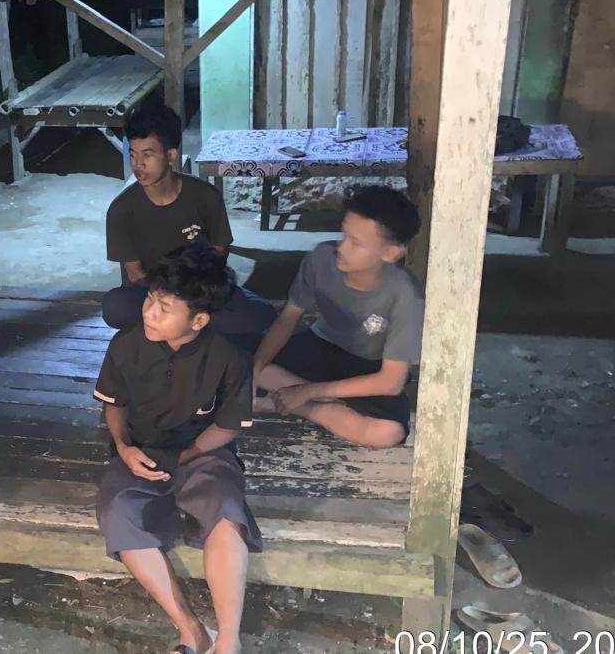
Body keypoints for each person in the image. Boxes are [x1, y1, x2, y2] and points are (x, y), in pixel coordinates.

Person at [94, 242, 261, 654]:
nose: (150, 313)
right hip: (141, 451)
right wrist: (123, 446)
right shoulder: (126, 344)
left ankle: (229, 641)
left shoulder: (229, 358)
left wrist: (185, 457)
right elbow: (115, 404)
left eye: (165, 308)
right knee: (117, 512)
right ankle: (191, 630)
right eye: (150, 300)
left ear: (199, 319)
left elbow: (226, 427)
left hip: (203, 453)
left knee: (226, 511)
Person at [251, 186, 424, 448]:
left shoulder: (406, 295)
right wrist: (254, 370)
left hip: (369, 365)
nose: (342, 247)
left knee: (388, 433)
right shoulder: (321, 258)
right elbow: (288, 318)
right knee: (246, 363)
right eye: (343, 234)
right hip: (320, 345)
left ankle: (295, 403)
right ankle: (320, 405)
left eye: (356, 243)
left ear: (390, 253)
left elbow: (391, 382)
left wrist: (309, 392)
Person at [102, 104, 276, 345]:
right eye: (133, 154)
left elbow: (218, 253)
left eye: (147, 155)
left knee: (262, 315)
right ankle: (189, 326)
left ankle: (180, 327)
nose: (138, 164)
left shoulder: (205, 196)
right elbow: (135, 273)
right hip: (152, 296)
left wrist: (190, 300)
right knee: (115, 306)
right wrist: (171, 303)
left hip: (198, 294)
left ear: (171, 155)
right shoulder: (122, 209)